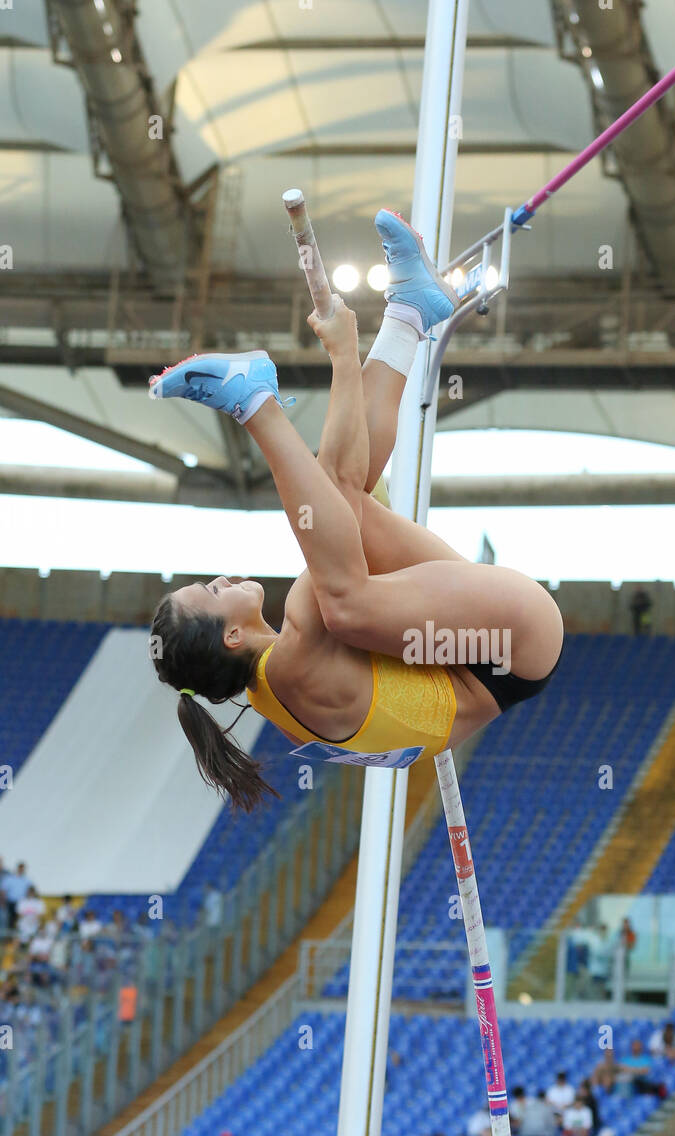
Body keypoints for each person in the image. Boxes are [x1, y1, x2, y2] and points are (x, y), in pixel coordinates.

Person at [148, 211, 564, 811]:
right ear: (232, 635)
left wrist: (349, 356)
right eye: (211, 593)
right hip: (506, 649)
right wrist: (340, 357)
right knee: (342, 590)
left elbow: (336, 502)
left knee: (342, 505)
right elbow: (330, 547)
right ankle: (255, 405)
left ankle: (410, 313)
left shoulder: (275, 670)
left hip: (461, 651)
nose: (223, 579)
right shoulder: (290, 664)